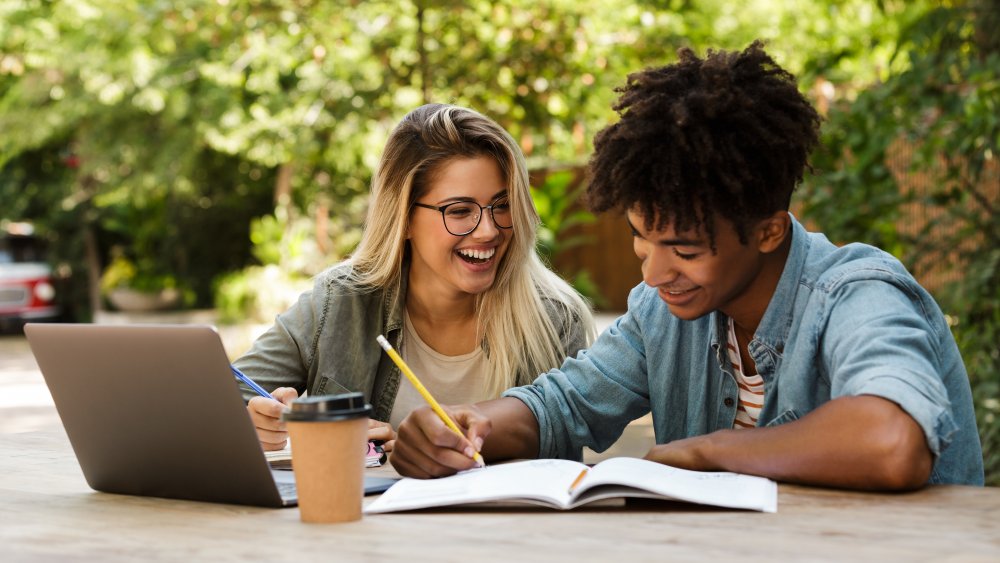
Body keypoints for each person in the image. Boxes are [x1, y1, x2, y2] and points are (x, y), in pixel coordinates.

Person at [388, 42, 985, 489]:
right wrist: (471, 424)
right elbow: (564, 405)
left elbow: (891, 440)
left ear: (768, 230)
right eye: (640, 239)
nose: (652, 274)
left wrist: (708, 453)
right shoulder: (665, 312)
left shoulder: (858, 294)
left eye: (686, 249)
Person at [236, 103, 596, 452]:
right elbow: (220, 398)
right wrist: (260, 422)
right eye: (459, 211)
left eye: (501, 206)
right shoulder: (340, 301)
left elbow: (562, 457)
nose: (489, 230)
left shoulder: (555, 319)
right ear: (403, 218)